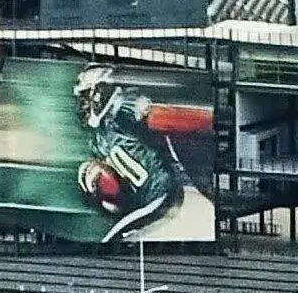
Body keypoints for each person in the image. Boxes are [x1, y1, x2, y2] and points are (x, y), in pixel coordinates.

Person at [71, 66, 210, 242]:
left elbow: (169, 120)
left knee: (112, 241)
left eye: (85, 96)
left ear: (99, 92)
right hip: (147, 202)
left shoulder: (124, 107)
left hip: (162, 194)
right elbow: (115, 193)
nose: (82, 104)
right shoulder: (98, 139)